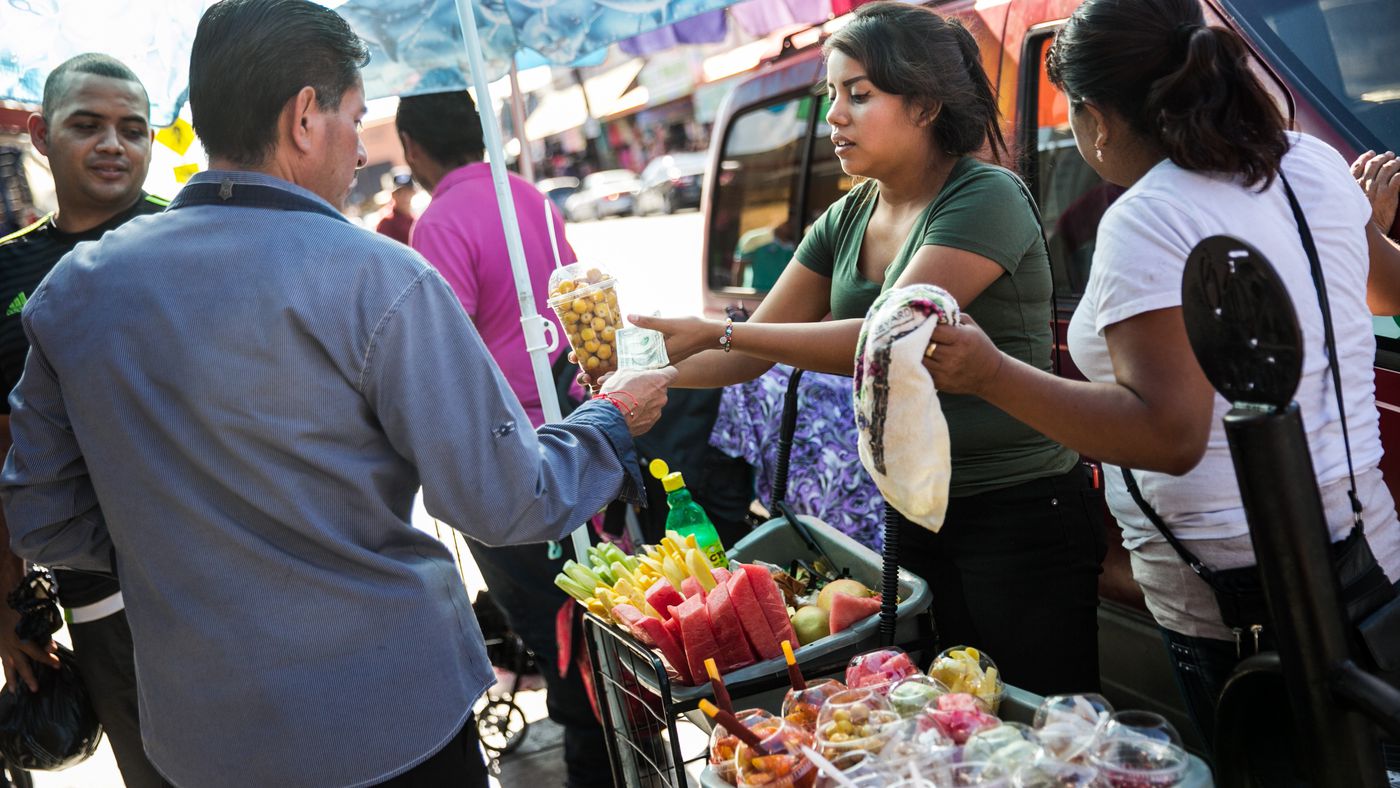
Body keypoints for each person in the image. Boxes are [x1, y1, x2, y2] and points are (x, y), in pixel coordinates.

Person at [0, 2, 674, 786]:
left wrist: (176, 542)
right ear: (304, 116)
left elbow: (43, 518)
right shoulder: (379, 278)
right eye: (356, 119)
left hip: (205, 738)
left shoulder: (72, 294)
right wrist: (613, 417)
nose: (360, 150)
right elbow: (505, 499)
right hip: (392, 716)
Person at [921, 0, 1400, 749]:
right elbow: (1386, 293)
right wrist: (1361, 224)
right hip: (1368, 551)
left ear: (1094, 116)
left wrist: (990, 374)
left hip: (1236, 599)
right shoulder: (1306, 161)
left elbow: (1169, 432)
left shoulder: (1148, 215)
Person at [628, 1, 1104, 696]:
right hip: (912, 506)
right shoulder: (849, 214)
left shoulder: (985, 197)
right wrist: (639, 375)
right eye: (831, 96)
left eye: (859, 95)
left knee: (1038, 715)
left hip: (1020, 512)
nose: (835, 117)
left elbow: (886, 335)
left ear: (924, 105)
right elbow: (750, 355)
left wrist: (718, 329)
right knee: (944, 719)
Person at [394, 89, 610, 788]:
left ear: (413, 148)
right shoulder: (528, 194)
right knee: (597, 615)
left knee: (559, 632)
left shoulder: (438, 224)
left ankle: (594, 764)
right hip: (582, 434)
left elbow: (443, 364)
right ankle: (619, 748)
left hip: (509, 461)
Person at [0, 53, 166, 788]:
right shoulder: (7, 273)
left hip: (247, 575)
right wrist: (10, 611)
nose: (113, 145)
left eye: (133, 129)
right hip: (104, 599)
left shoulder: (199, 236)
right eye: (87, 125)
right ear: (41, 133)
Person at [374, 168, 416, 244]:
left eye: (407, 191)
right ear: (393, 195)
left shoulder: (415, 219)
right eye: (399, 192)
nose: (404, 196)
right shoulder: (386, 223)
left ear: (413, 192)